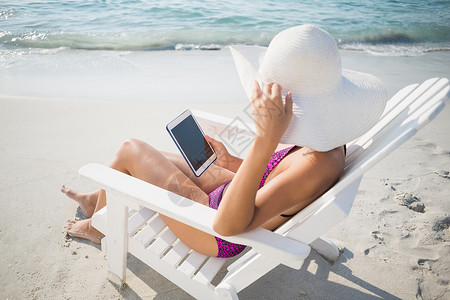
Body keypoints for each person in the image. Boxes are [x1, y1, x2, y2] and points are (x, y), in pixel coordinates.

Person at [62, 24, 387, 258]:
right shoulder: (325, 145)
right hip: (233, 195)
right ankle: (96, 202)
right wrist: (231, 161)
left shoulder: (316, 166)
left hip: (214, 229)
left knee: (131, 150)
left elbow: (230, 224)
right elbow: (273, 182)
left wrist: (264, 140)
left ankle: (98, 225)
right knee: (151, 156)